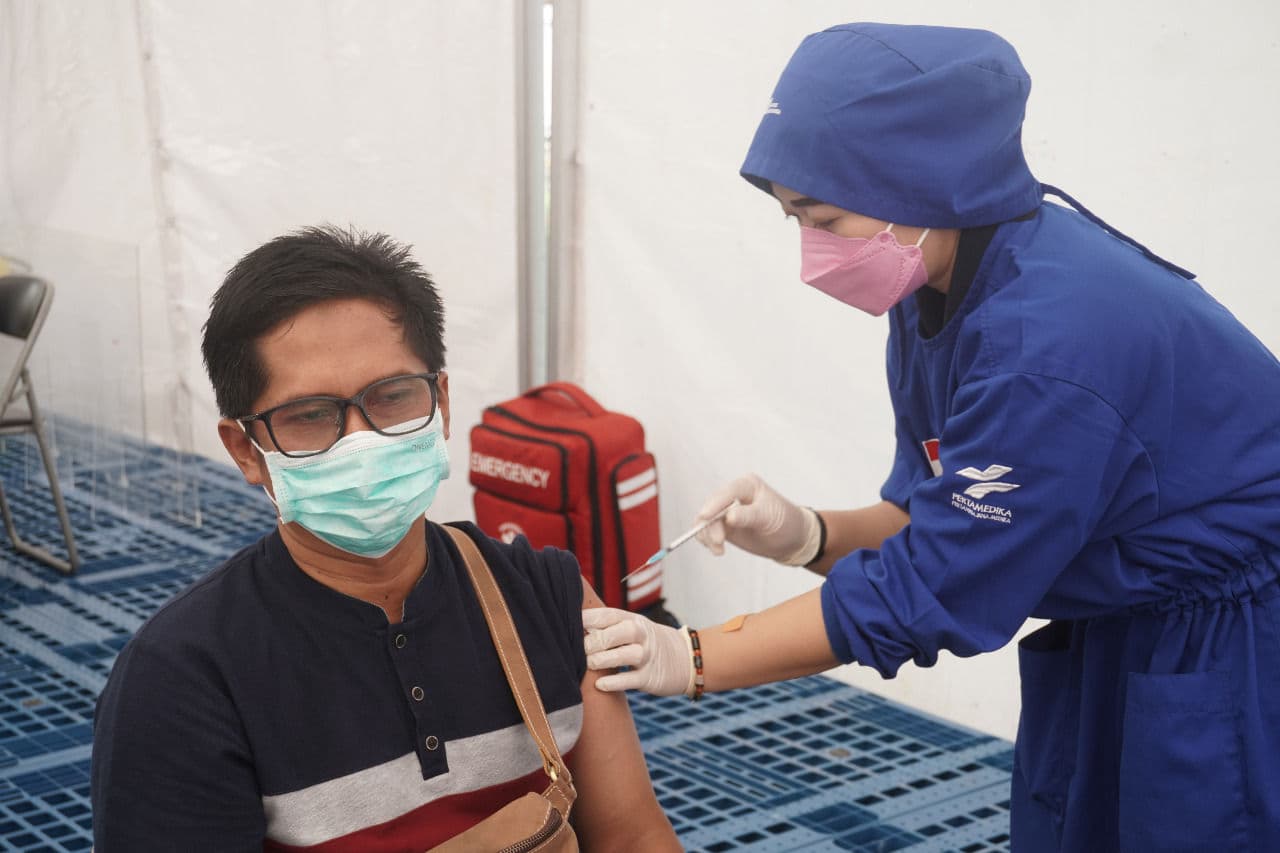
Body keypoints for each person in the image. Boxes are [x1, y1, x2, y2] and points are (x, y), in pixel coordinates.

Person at [582, 22, 1280, 853]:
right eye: (793, 217)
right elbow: (937, 512)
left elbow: (930, 590)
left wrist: (694, 656)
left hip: (1224, 639)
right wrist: (809, 532)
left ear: (927, 186)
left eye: (827, 219)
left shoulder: (1047, 345)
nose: (810, 255)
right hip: (1121, 625)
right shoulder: (938, 291)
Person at [91, 226, 679, 851]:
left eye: (392, 397)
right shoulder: (182, 680)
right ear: (246, 450)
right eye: (310, 415)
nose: (361, 440)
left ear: (442, 403)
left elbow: (632, 835)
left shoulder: (546, 597)